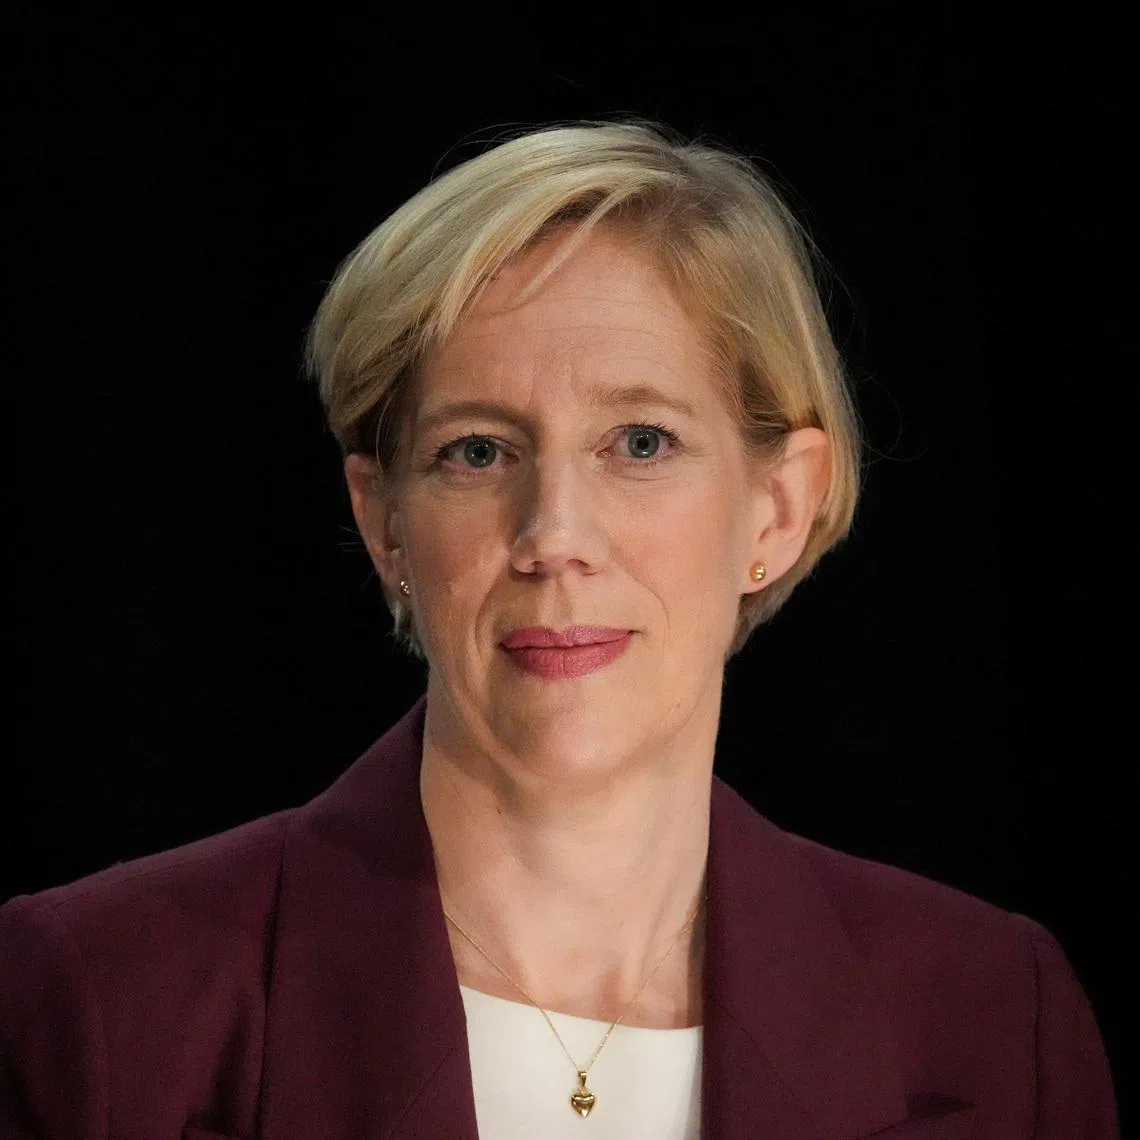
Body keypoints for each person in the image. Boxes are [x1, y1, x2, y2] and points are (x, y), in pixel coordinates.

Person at [0, 121, 1118, 1139]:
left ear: (777, 510)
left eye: (639, 443)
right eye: (477, 451)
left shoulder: (990, 1013)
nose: (553, 536)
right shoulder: (98, 996)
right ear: (383, 521)